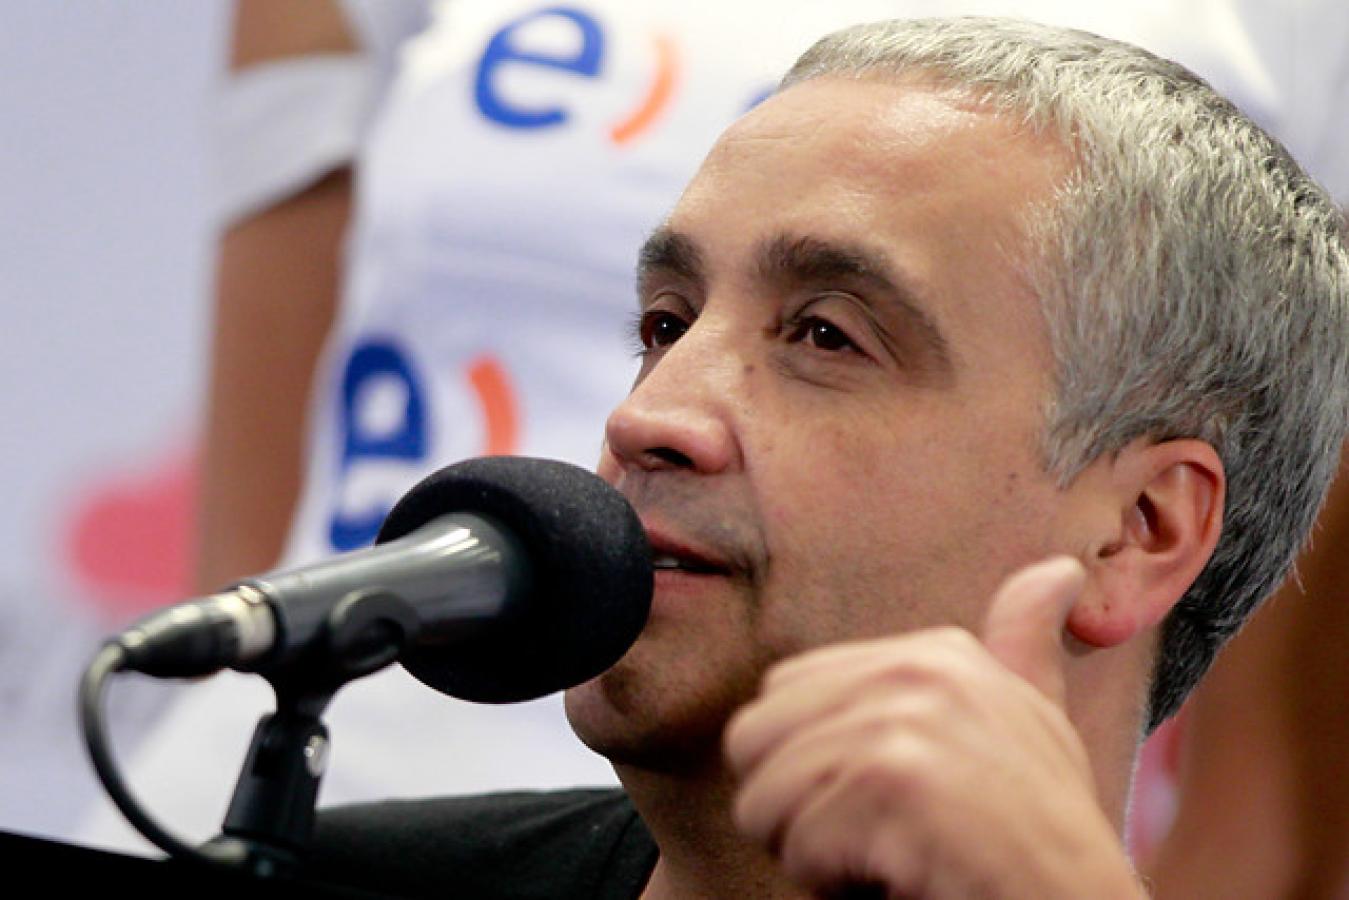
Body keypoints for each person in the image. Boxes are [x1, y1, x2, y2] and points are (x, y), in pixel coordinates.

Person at [75, 3, 1349, 895]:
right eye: (663, 325)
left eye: (825, 335)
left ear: (1137, 532)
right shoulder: (342, 871)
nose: (645, 418)